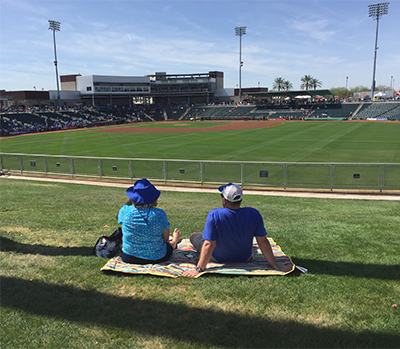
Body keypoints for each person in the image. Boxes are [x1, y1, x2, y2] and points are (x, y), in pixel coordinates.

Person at [183, 183, 291, 277]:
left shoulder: (214, 214)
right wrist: (275, 265)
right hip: (245, 257)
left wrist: (199, 269)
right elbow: (262, 242)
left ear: (224, 200)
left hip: (218, 257)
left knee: (194, 235)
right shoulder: (253, 213)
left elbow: (208, 244)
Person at [118, 178, 181, 264]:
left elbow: (120, 220)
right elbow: (165, 239)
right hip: (157, 257)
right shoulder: (160, 214)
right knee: (168, 244)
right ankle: (174, 242)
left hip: (129, 257)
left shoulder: (125, 211)